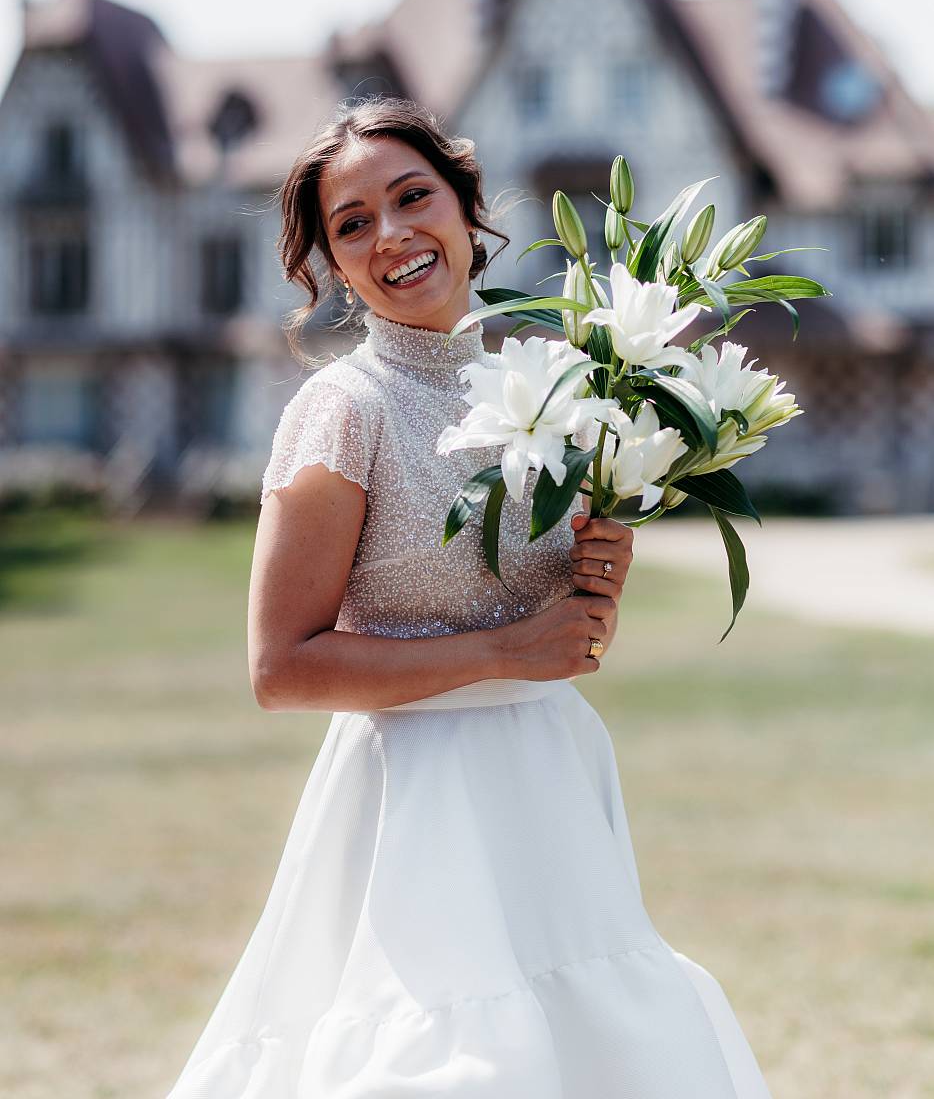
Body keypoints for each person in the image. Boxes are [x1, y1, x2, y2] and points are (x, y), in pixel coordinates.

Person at [166, 98, 772, 1097]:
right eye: (351, 223)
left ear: (467, 206)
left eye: (413, 196)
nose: (392, 234)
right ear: (330, 264)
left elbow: (557, 637)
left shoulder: (553, 388)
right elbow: (279, 667)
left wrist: (591, 591)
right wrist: (507, 650)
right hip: (417, 811)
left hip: (551, 782)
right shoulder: (343, 409)